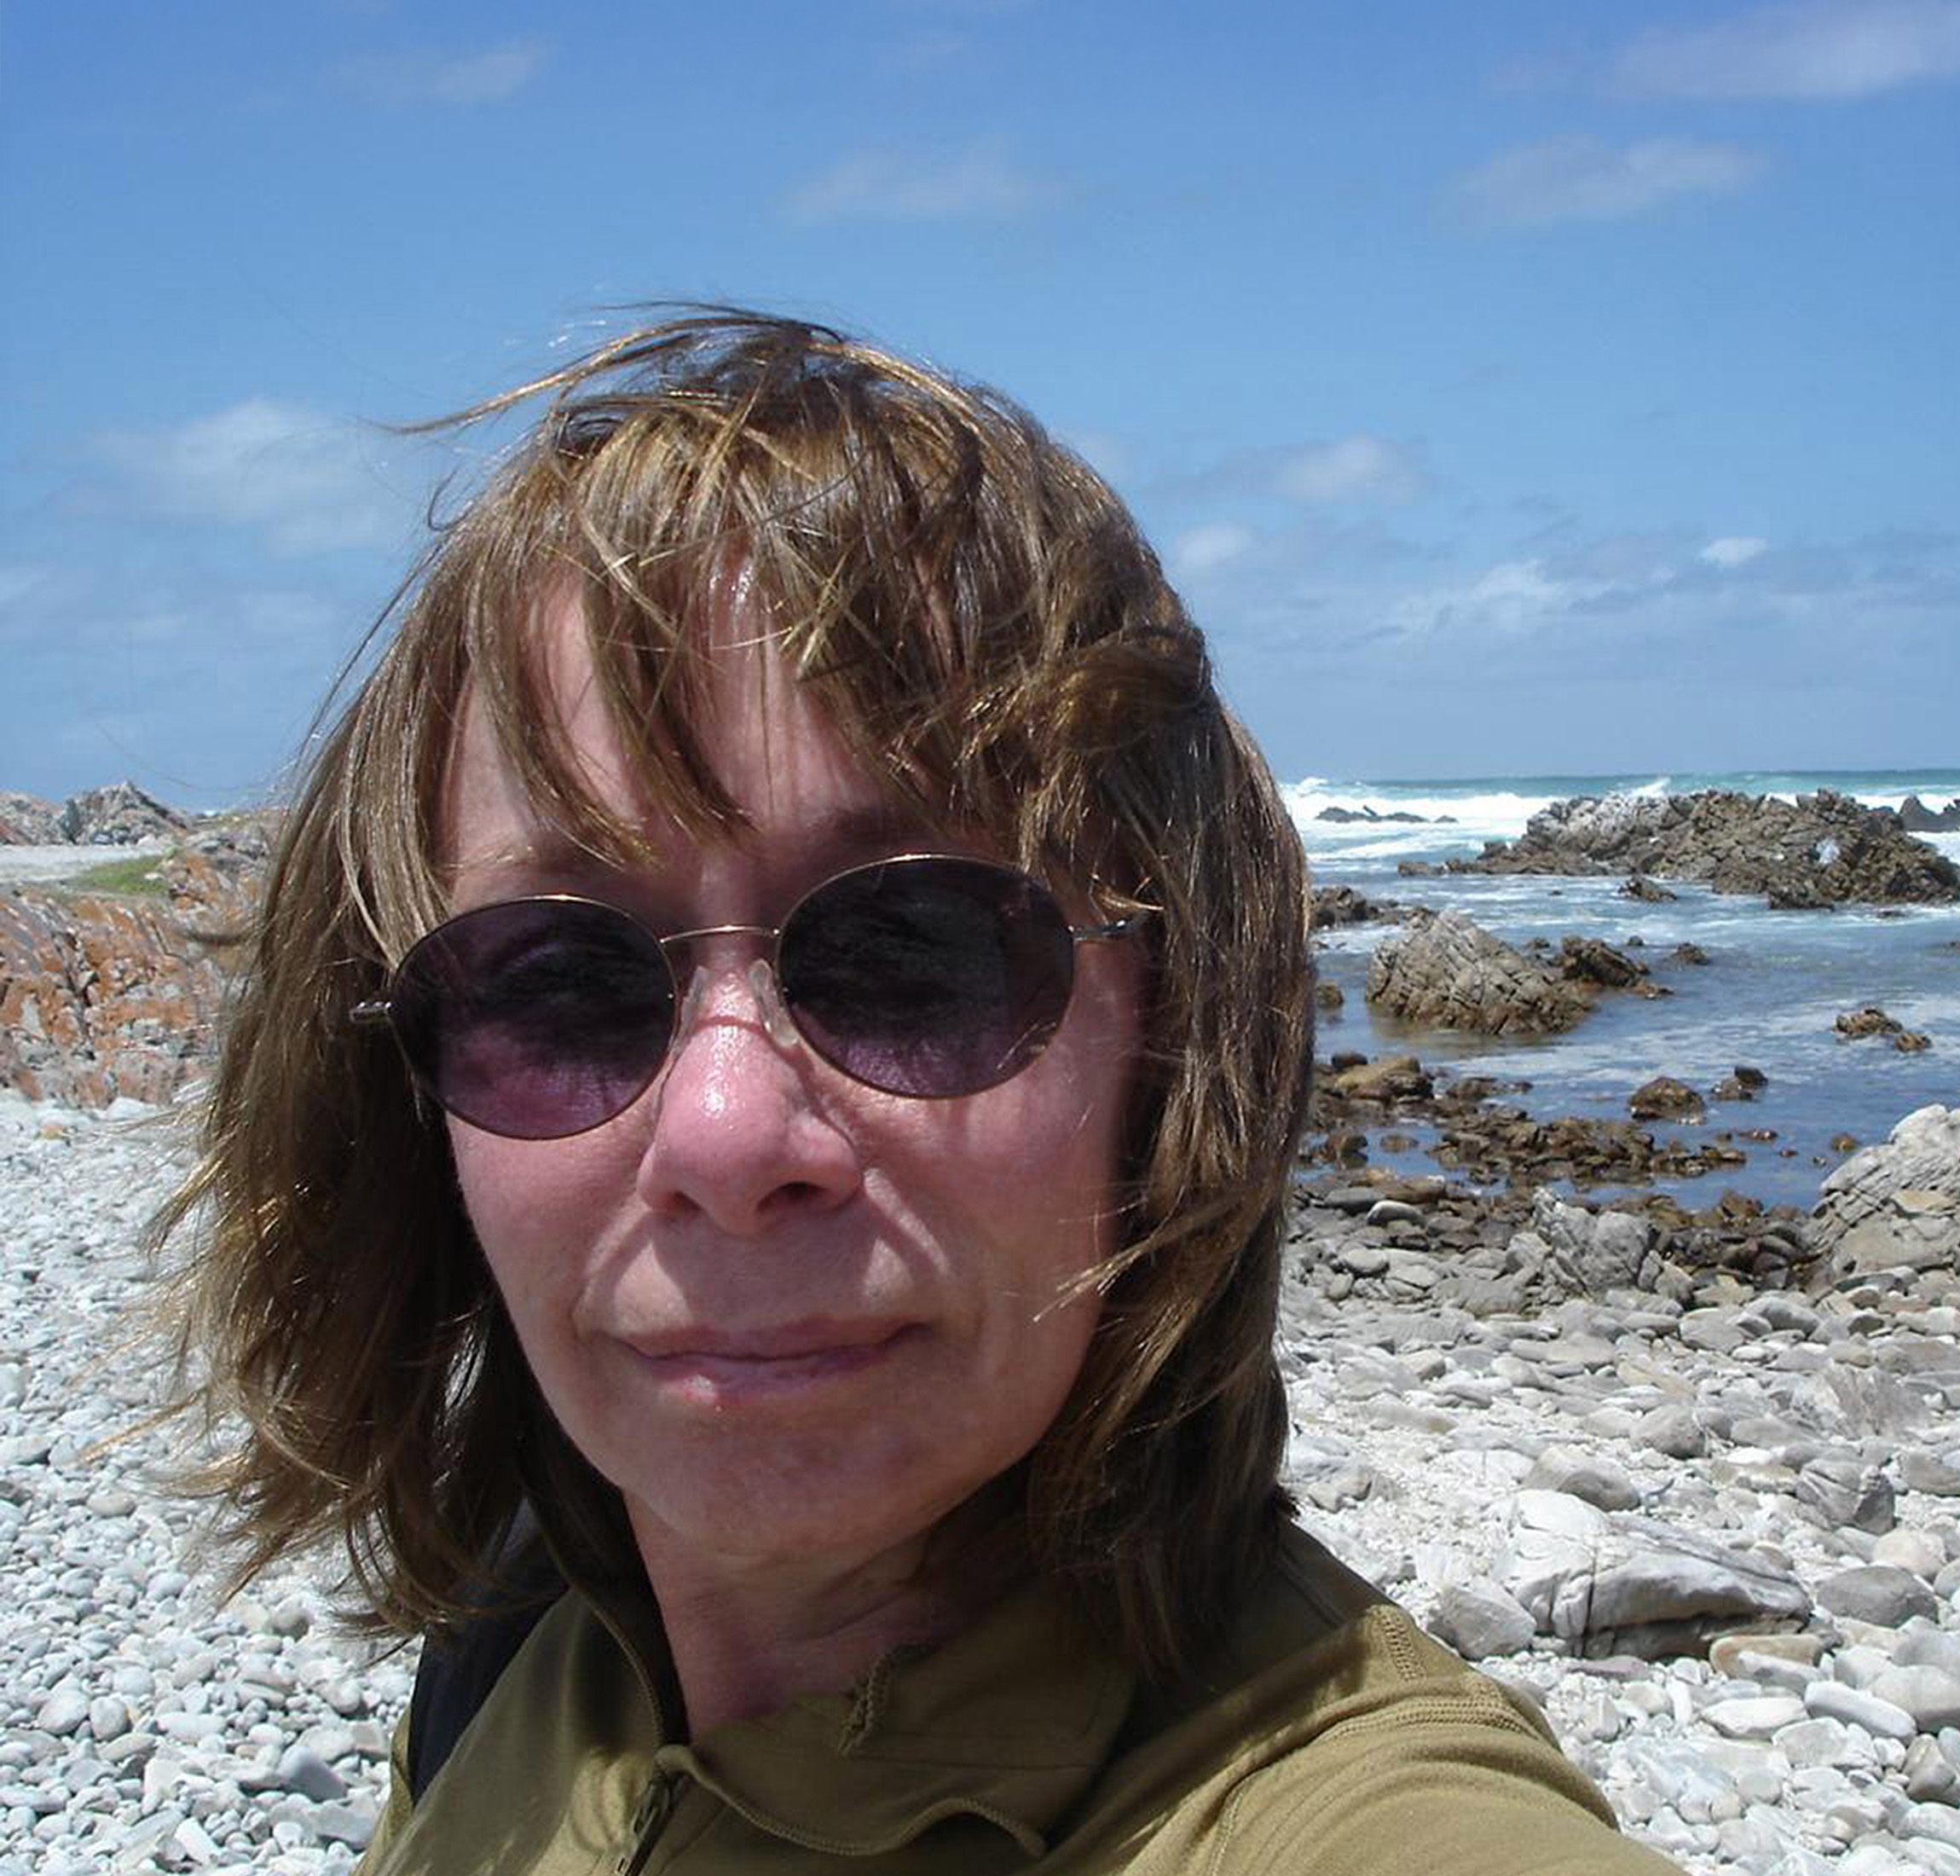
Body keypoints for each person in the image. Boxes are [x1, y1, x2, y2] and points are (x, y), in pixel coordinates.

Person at [160, 312, 1680, 1873]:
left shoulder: (1358, 1827)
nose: (725, 1137)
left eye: (911, 951)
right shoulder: (525, 1635)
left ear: (1178, 1041)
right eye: (561, 982)